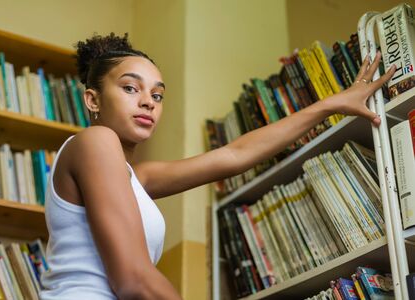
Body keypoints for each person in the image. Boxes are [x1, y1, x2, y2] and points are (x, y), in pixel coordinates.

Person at [39, 32, 395, 300]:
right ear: (93, 99)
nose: (148, 102)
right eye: (131, 88)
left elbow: (234, 155)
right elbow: (132, 278)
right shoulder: (94, 141)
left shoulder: (137, 177)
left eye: (158, 95)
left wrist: (331, 105)